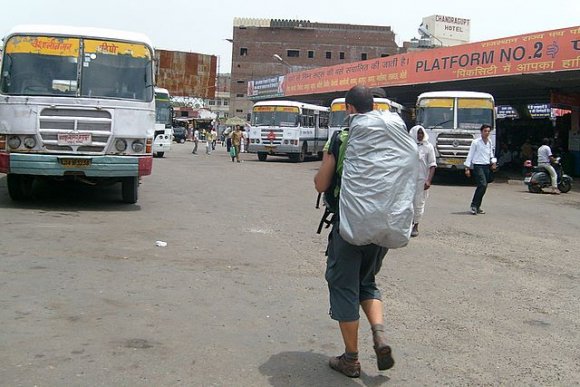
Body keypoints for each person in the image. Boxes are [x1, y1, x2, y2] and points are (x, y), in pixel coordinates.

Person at [314, 85, 395, 378]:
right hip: (383, 226)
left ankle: (351, 359)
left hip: (349, 226)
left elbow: (322, 184)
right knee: (367, 283)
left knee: (344, 286)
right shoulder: (392, 137)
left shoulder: (342, 137)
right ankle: (379, 333)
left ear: (349, 108)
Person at [409, 125, 436, 237]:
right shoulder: (408, 146)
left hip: (421, 180)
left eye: (421, 133)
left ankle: (416, 225)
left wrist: (428, 180)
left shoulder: (428, 147)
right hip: (408, 180)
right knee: (407, 203)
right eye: (418, 133)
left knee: (418, 203)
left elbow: (432, 164)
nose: (420, 135)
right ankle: (407, 225)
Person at [464, 124, 497, 215]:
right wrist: (467, 168)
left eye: (488, 131)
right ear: (481, 132)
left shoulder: (489, 142)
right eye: (485, 131)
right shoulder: (476, 142)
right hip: (478, 165)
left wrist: (493, 162)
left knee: (484, 186)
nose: (487, 133)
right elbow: (470, 155)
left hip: (486, 166)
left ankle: (477, 206)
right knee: (482, 184)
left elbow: (491, 154)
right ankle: (473, 205)